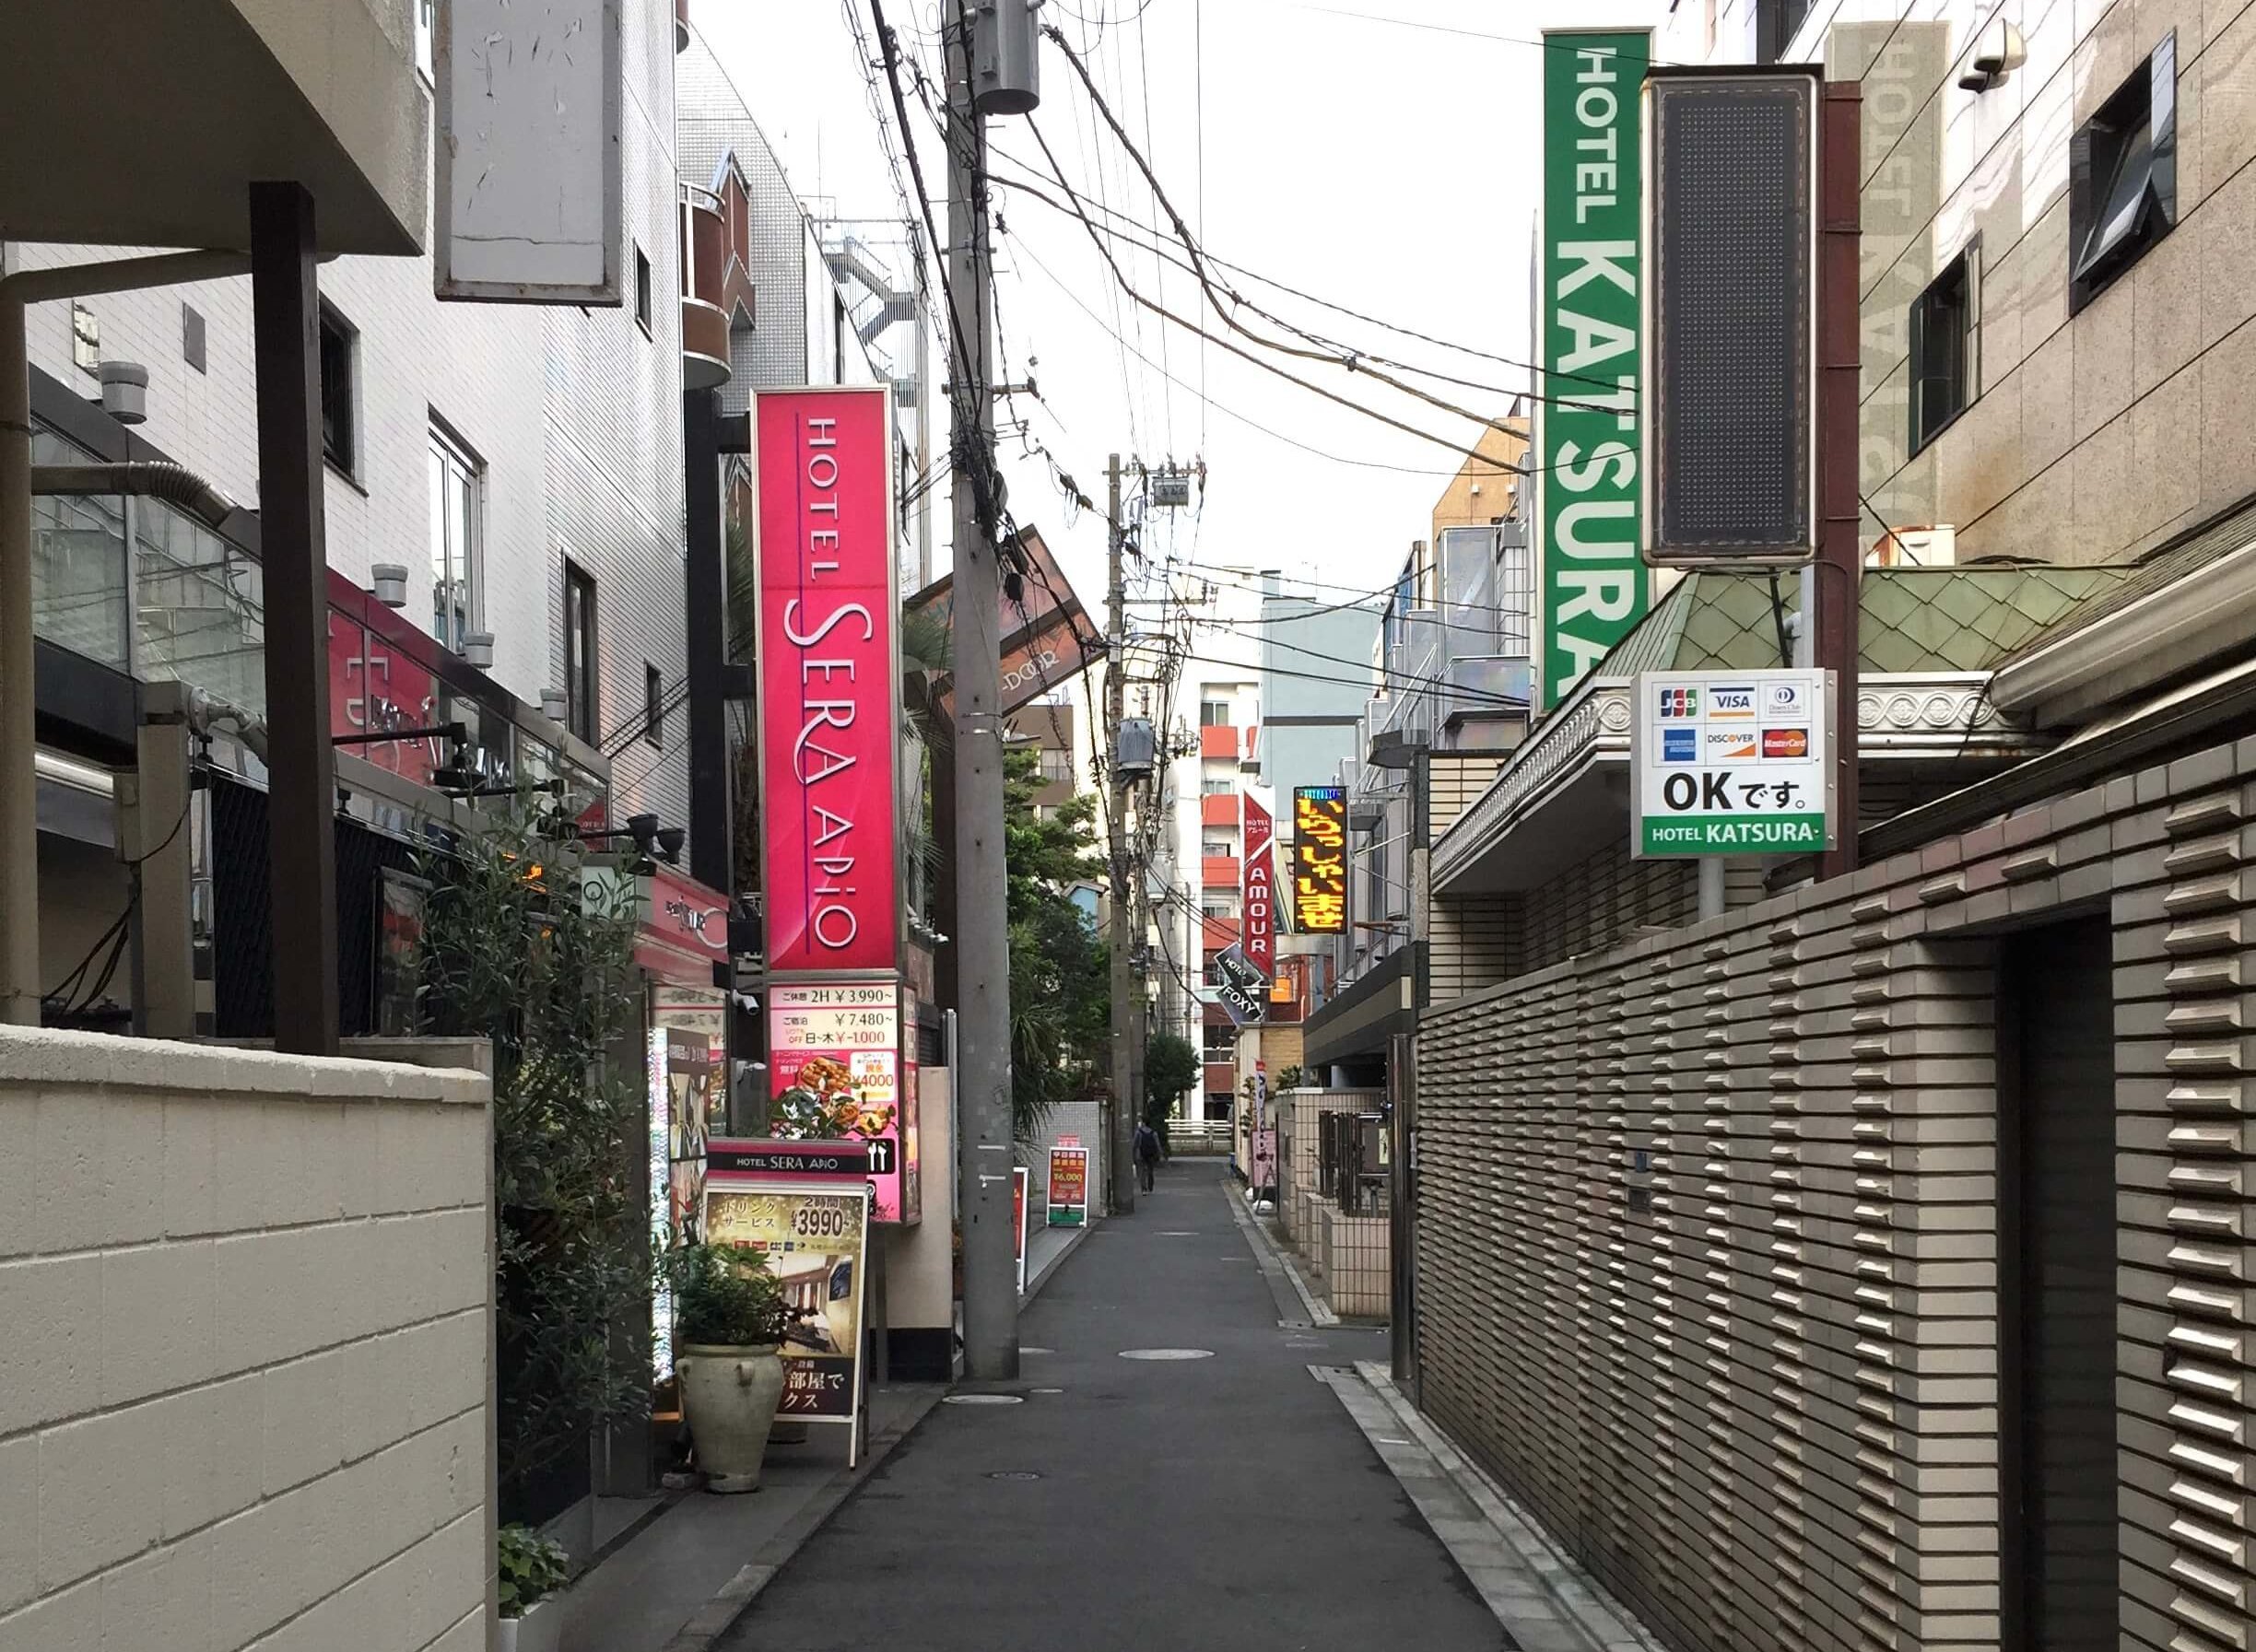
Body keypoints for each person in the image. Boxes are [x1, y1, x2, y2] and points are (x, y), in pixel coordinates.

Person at [1134, 1119, 1162, 1192]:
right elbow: (1157, 1144)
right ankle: (1150, 1186)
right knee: (1150, 1170)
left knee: (1142, 1171)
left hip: (1141, 1154)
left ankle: (1144, 1188)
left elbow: (1134, 1144)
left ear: (1143, 1123)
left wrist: (1134, 1153)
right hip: (1151, 1154)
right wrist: (1160, 1153)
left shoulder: (1138, 1132)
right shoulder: (1154, 1133)